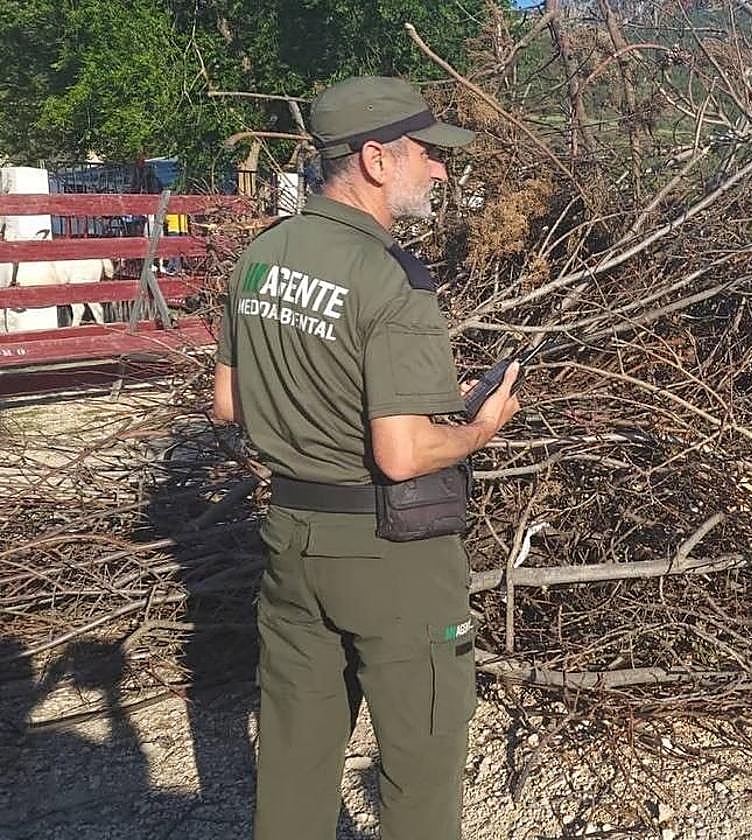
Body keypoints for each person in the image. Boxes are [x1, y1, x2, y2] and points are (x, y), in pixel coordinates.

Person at [211, 75, 521, 840]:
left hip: (291, 538)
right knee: (419, 762)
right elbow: (403, 452)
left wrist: (308, 420)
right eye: (427, 154)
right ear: (377, 159)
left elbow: (227, 404)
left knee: (294, 757)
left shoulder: (260, 256)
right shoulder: (391, 278)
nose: (440, 171)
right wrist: (483, 427)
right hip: (391, 555)